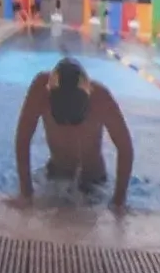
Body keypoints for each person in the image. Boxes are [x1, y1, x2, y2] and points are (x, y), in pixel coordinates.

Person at [14, 56, 136, 210]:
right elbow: (23, 139)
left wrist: (118, 201)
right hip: (55, 175)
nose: (69, 127)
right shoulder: (40, 90)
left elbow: (125, 148)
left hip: (93, 181)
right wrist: (26, 192)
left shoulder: (101, 99)